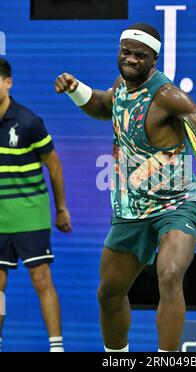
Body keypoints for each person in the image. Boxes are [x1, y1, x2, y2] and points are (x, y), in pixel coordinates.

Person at [55, 23, 196, 352]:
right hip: (131, 207)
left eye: (141, 55)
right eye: (126, 52)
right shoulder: (121, 85)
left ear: (154, 60)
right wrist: (75, 88)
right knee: (109, 293)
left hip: (179, 204)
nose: (132, 59)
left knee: (168, 274)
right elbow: (103, 106)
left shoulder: (168, 96)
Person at [0, 58, 72, 352]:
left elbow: (54, 166)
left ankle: (56, 348)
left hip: (31, 215)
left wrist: (61, 209)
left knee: (42, 280)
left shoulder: (29, 122)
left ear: (8, 83)